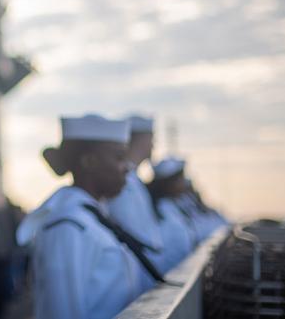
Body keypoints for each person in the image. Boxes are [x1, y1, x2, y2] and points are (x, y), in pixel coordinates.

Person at [16, 114, 155, 319]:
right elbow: (61, 313)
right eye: (118, 157)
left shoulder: (93, 218)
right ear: (89, 161)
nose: (126, 167)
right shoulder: (67, 226)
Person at [106, 115, 162, 252]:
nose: (154, 145)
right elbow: (134, 235)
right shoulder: (122, 182)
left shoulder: (133, 180)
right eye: (151, 139)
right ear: (141, 140)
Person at [146, 156, 196, 273]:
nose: (184, 183)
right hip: (170, 273)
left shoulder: (172, 206)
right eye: (180, 179)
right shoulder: (162, 210)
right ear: (168, 183)